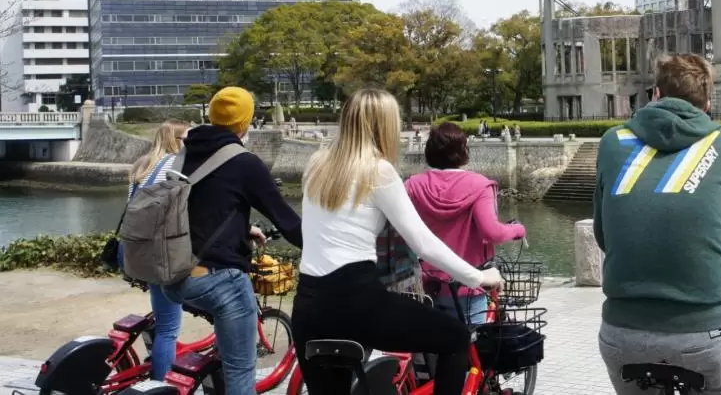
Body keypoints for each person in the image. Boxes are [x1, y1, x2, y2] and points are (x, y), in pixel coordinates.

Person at [593, 53, 721, 395]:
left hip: (621, 334)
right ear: (707, 102)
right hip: (704, 333)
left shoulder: (614, 142)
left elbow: (602, 233)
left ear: (656, 94)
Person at [291, 88, 504, 395]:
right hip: (358, 301)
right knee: (455, 338)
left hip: (309, 305)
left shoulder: (316, 164)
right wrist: (479, 276)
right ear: (385, 126)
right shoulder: (378, 170)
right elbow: (423, 243)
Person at [163, 87, 303, 395]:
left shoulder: (184, 153)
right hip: (217, 279)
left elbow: (204, 208)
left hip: (172, 274)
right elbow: (289, 223)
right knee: (241, 373)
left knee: (226, 356)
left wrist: (244, 228)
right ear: (246, 122)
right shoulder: (244, 162)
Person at [405, 122, 526, 324]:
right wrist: (517, 229)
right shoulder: (480, 185)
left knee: (433, 347)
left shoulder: (413, 185)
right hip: (469, 283)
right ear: (463, 152)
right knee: (474, 345)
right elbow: (492, 232)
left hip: (427, 284)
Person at [123, 119, 188, 380]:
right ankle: (162, 385)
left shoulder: (142, 165)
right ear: (175, 140)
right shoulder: (175, 165)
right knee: (169, 329)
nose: (189, 144)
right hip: (163, 255)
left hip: (138, 251)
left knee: (163, 316)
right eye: (186, 139)